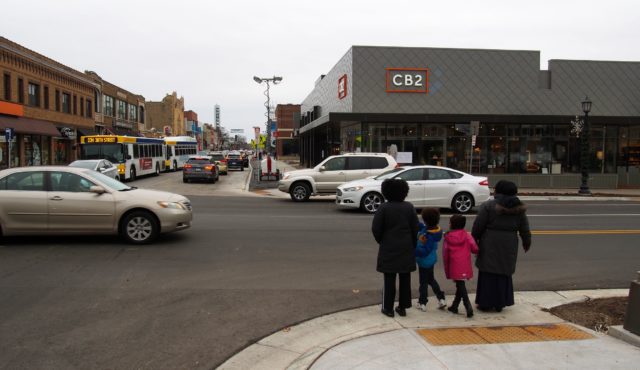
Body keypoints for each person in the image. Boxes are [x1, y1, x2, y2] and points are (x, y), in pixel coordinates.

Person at [472, 180, 531, 312]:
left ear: (498, 191)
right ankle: (501, 302)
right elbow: (524, 228)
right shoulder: (519, 208)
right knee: (504, 272)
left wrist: (474, 239)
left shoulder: (488, 205)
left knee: (488, 272)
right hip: (509, 242)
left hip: (490, 241)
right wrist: (526, 242)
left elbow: (478, 225)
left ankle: (485, 302)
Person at [371, 178, 419, 318]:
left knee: (389, 279)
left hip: (389, 246)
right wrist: (412, 244)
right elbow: (415, 228)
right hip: (406, 246)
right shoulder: (409, 207)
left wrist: (382, 241)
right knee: (405, 278)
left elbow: (376, 229)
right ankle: (403, 307)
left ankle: (388, 308)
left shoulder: (384, 208)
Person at [443, 214, 479, 318]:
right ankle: (454, 306)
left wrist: (447, 267)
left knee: (460, 284)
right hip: (465, 264)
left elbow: (445, 253)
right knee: (460, 284)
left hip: (454, 264)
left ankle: (467, 306)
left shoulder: (448, 237)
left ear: (452, 225)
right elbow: (474, 248)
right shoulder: (467, 235)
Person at [415, 208, 446, 311]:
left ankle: (422, 302)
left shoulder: (430, 236)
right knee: (431, 280)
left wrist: (414, 250)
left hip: (425, 261)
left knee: (423, 282)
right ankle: (441, 298)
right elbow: (420, 226)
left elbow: (425, 251)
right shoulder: (430, 229)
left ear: (425, 220)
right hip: (430, 260)